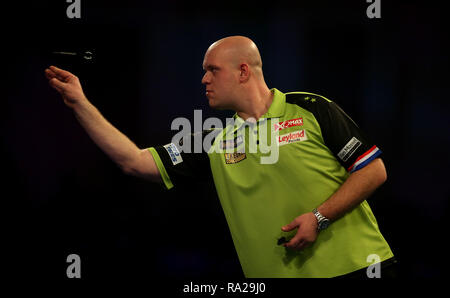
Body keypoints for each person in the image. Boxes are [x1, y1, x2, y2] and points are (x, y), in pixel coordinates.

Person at [45, 35, 396, 278]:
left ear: (243, 71)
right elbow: (135, 161)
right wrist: (80, 103)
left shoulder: (311, 109)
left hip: (358, 267)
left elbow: (373, 171)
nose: (203, 79)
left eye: (213, 69)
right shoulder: (213, 140)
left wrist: (319, 217)